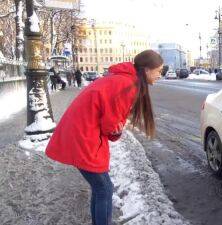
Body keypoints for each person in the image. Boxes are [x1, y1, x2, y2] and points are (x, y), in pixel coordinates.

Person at [45, 50, 163, 225]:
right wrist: (117, 129)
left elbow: (110, 122)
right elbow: (110, 126)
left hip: (82, 133)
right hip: (83, 136)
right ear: (146, 70)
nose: (160, 75)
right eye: (159, 71)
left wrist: (116, 128)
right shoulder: (128, 85)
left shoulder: (124, 80)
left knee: (101, 188)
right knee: (104, 189)